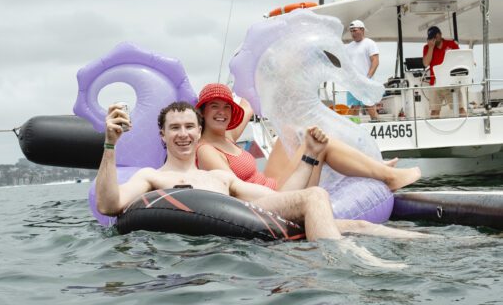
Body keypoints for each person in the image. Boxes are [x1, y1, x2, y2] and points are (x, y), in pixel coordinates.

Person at [95, 101, 424, 243]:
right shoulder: (153, 178)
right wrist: (110, 145)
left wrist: (310, 157)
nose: (183, 134)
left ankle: (437, 244)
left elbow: (279, 199)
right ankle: (339, 266)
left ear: (198, 132)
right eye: (175, 128)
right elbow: (110, 205)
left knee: (356, 222)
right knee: (318, 200)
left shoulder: (220, 179)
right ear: (163, 135)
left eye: (190, 127)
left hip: (247, 226)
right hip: (210, 240)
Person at [194, 83, 421, 192]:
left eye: (226, 107)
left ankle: (374, 166)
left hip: (269, 182)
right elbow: (234, 190)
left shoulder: (225, 136)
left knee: (291, 133)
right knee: (322, 144)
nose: (222, 112)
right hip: (272, 196)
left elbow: (248, 107)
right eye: (214, 107)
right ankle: (388, 177)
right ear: (202, 112)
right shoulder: (206, 150)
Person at [422, 25, 467, 118]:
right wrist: (431, 48)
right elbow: (426, 63)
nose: (433, 39)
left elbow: (460, 58)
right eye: (431, 38)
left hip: (451, 82)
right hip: (435, 82)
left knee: (460, 109)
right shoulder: (427, 47)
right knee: (434, 111)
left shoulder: (451, 44)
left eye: (435, 36)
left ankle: (466, 128)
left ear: (440, 35)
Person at [344, 20, 380, 120]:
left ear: (362, 30)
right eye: (351, 31)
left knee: (370, 107)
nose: (352, 33)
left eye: (355, 30)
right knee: (354, 108)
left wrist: (367, 78)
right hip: (353, 84)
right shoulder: (348, 47)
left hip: (366, 82)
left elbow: (375, 61)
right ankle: (354, 131)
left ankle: (377, 127)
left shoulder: (370, 43)